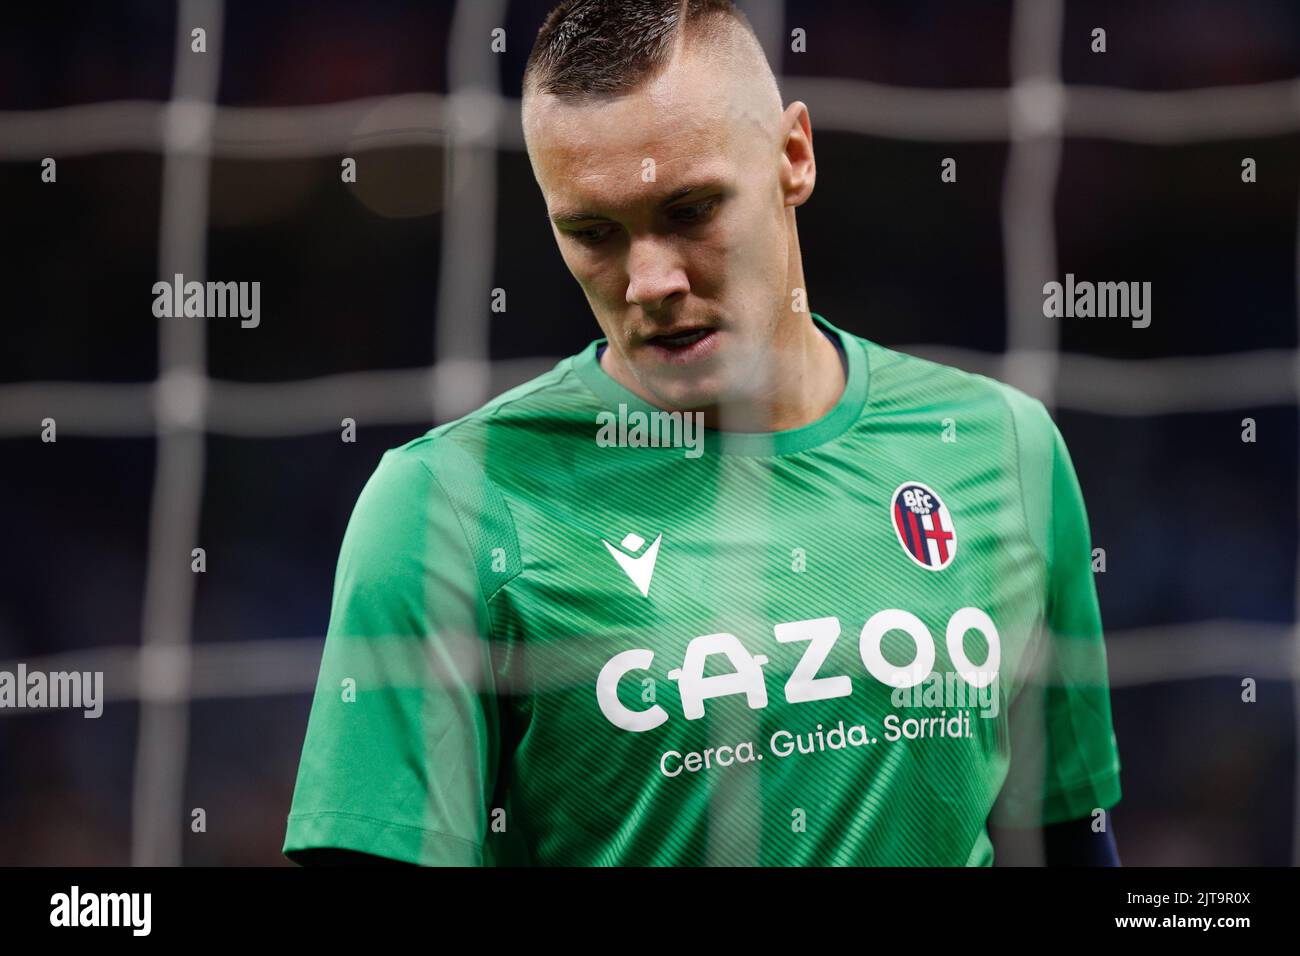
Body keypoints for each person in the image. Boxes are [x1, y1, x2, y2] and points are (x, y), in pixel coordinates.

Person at [283, 0, 1121, 866]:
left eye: (689, 211)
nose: (649, 281)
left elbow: (1066, 844)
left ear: (793, 156)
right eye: (593, 233)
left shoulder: (1000, 448)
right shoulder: (446, 509)